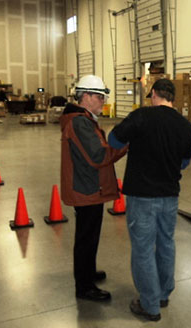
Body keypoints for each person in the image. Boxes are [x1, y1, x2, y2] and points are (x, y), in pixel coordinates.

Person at [108, 79, 191, 321]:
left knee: (144, 249)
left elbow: (113, 140)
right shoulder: (186, 127)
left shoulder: (141, 116)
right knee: (166, 244)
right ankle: (164, 293)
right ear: (173, 99)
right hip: (169, 196)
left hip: (142, 196)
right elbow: (184, 163)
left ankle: (150, 305)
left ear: (154, 94)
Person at [60, 75, 127, 302]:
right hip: (86, 189)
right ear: (86, 96)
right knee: (86, 238)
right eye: (99, 97)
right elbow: (98, 155)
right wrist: (125, 145)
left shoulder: (84, 119)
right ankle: (84, 286)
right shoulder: (79, 122)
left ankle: (87, 273)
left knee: (90, 236)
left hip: (89, 187)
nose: (102, 102)